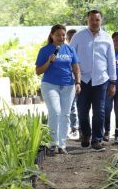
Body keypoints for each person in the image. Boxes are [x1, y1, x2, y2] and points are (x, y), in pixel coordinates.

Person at [70, 10, 116, 152]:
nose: (94, 22)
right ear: (87, 21)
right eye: (92, 20)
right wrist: (73, 79)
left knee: (99, 111)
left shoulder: (107, 38)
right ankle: (86, 134)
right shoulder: (78, 37)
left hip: (101, 80)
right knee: (82, 110)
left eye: (97, 20)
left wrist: (113, 82)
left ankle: (97, 139)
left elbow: (111, 60)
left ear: (101, 21)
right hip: (82, 80)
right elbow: (71, 57)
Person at [35, 24, 81, 155]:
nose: (61, 37)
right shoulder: (45, 50)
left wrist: (78, 82)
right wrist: (49, 62)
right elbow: (38, 71)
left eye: (63, 35)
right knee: (55, 112)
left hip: (68, 86)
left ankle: (62, 144)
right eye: (58, 35)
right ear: (52, 35)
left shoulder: (70, 49)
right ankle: (52, 143)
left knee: (65, 115)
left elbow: (76, 68)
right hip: (50, 85)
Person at [66, 29, 80, 140]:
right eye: (69, 37)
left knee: (81, 106)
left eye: (73, 37)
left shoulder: (81, 48)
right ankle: (74, 128)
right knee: (71, 106)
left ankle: (80, 129)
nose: (71, 39)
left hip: (82, 81)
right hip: (69, 82)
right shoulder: (64, 50)